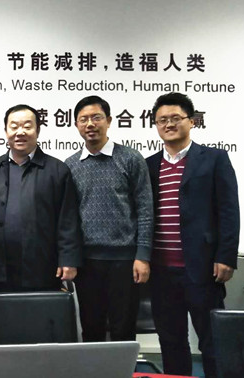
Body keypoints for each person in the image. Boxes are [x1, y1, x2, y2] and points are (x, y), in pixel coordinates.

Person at [146, 92, 239, 378]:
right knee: (171, 341)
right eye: (162, 120)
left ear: (192, 121)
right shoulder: (149, 165)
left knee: (212, 342)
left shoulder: (214, 159)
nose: (169, 124)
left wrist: (226, 257)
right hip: (161, 271)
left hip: (202, 268)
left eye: (176, 118)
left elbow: (228, 210)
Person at [65, 95, 153, 342]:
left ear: (109, 120)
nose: (90, 124)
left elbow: (145, 210)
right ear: (76, 125)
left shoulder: (130, 158)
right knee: (91, 328)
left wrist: (143, 256)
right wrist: (70, 258)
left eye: (96, 117)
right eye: (83, 119)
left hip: (125, 261)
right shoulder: (70, 165)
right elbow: (68, 219)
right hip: (87, 262)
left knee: (123, 329)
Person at [0, 104, 82, 291]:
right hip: (0, 266)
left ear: (38, 130)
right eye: (14, 126)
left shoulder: (57, 171)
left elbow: (68, 220)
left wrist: (68, 259)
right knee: (2, 310)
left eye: (27, 126)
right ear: (6, 131)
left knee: (41, 309)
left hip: (43, 266)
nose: (20, 132)